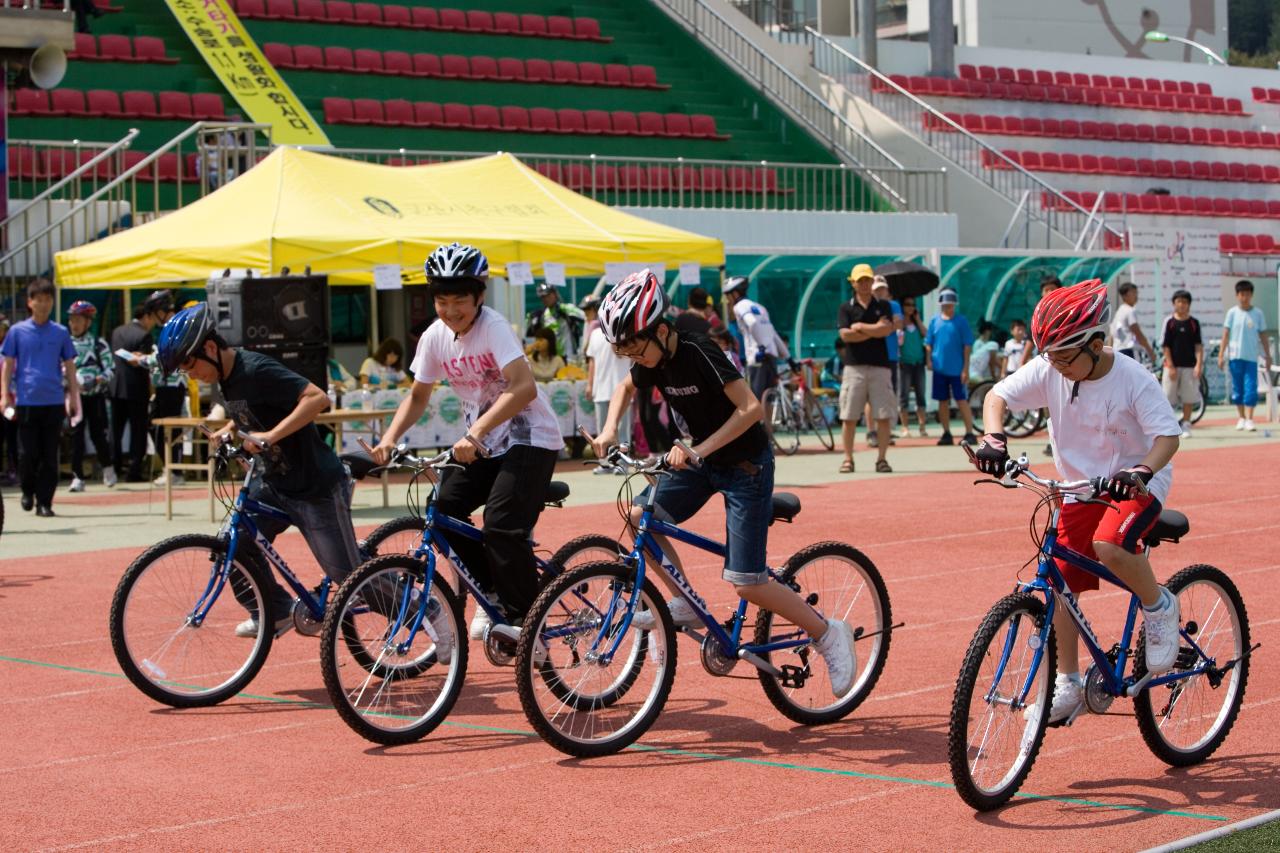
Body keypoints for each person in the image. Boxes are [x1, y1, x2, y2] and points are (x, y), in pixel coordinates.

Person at [590, 269, 858, 696]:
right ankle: (684, 602)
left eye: (634, 347)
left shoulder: (700, 351)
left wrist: (700, 449)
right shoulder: (650, 358)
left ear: (660, 331)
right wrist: (607, 431)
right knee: (639, 514)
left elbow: (751, 408)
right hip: (702, 459)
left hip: (745, 466)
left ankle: (828, 634)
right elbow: (624, 388)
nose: (631, 358)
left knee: (747, 582)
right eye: (623, 350)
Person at [972, 278, 1184, 724]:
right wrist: (994, 438)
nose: (1058, 366)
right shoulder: (1052, 368)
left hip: (1135, 484)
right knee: (1058, 583)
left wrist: (1141, 471)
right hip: (1079, 487)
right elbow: (997, 396)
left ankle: (1159, 606)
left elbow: (1167, 437)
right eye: (1052, 357)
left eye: (1067, 357)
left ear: (1096, 343)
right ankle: (1066, 682)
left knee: (1110, 544)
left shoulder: (1133, 380)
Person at [373, 243, 562, 641]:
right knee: (444, 508)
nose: (451, 310)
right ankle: (490, 586)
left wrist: (474, 433)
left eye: (460, 300)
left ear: (479, 297)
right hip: (484, 443)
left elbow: (524, 387)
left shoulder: (493, 327)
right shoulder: (435, 336)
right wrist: (388, 439)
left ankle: (529, 626)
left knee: (501, 525)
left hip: (530, 437)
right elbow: (418, 395)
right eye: (442, 300)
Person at [157, 302, 364, 639]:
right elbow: (254, 410)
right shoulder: (225, 377)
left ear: (210, 348)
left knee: (350, 577)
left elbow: (316, 398)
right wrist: (231, 428)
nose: (190, 374)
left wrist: (270, 436)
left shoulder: (255, 369)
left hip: (313, 485)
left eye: (189, 364)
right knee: (231, 543)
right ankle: (276, 611)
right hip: (274, 484)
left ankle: (424, 609)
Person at [0, 279, 81, 517]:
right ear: (30, 302)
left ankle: (44, 502)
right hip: (26, 400)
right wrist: (4, 395)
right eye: (39, 299)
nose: (43, 304)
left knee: (49, 455)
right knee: (27, 453)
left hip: (54, 400)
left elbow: (69, 365)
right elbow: (8, 366)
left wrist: (73, 396)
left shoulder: (60, 332)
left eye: (48, 299)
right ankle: (27, 489)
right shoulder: (17, 331)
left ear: (52, 302)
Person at [837, 264, 895, 474]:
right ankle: (848, 459)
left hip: (880, 367)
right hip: (854, 368)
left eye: (867, 280)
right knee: (849, 416)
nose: (864, 284)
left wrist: (860, 327)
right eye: (860, 280)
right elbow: (845, 335)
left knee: (883, 416)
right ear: (853, 283)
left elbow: (887, 329)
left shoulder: (884, 306)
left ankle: (882, 459)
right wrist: (875, 330)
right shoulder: (846, 307)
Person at [109, 291, 169, 482]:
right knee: (138, 431)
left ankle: (115, 465)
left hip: (115, 388)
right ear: (146, 316)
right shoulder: (144, 335)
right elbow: (145, 364)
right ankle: (134, 470)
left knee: (115, 431)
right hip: (137, 389)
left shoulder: (117, 331)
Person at [66, 300, 116, 491]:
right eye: (71, 320)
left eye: (78, 319)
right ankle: (77, 477)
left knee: (98, 435)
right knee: (76, 437)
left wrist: (96, 381)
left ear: (88, 322)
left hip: (95, 397)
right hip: (75, 399)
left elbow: (111, 369)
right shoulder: (66, 343)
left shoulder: (98, 343)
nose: (74, 324)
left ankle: (108, 468)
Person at [722, 275, 789, 404]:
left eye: (727, 296)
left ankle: (759, 424)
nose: (727, 300)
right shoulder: (760, 307)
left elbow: (752, 323)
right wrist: (788, 357)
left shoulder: (739, 306)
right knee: (768, 398)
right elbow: (773, 333)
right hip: (771, 355)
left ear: (734, 293)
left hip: (757, 356)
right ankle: (767, 424)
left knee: (756, 399)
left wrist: (761, 347)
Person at [924, 288, 977, 446]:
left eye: (951, 304)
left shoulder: (961, 321)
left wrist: (965, 368)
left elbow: (967, 346)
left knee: (962, 400)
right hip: (940, 369)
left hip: (957, 369)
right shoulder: (934, 321)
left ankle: (970, 432)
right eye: (946, 304)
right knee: (942, 401)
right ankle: (946, 432)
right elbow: (928, 343)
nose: (948, 307)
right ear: (941, 305)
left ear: (954, 305)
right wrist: (929, 360)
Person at [1219, 279, 1271, 431]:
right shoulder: (1232, 313)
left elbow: (1263, 335)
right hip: (1235, 357)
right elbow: (1226, 335)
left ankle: (1250, 418)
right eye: (1242, 294)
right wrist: (1221, 355)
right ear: (1237, 295)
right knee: (1237, 389)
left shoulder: (1258, 314)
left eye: (1247, 294)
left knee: (1250, 389)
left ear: (1251, 295)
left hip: (1251, 358)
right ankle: (1241, 417)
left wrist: (1267, 355)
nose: (1245, 297)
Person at [585, 316, 632, 474]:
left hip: (621, 390)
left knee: (621, 430)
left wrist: (615, 338)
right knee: (602, 431)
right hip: (601, 389)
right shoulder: (595, 334)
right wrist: (590, 385)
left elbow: (621, 354)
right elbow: (592, 361)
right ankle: (605, 463)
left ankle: (623, 464)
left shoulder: (624, 334)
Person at [866, 275, 904, 448]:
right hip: (872, 356)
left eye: (883, 288)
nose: (880, 292)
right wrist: (878, 327)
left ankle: (885, 432)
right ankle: (871, 431)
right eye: (877, 289)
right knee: (870, 397)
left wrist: (879, 328)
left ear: (887, 290)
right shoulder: (868, 307)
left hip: (891, 357)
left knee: (888, 396)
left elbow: (898, 323)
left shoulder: (894, 305)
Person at [1161, 289, 1203, 439]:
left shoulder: (1194, 323)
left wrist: (1199, 365)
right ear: (1174, 304)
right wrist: (1171, 366)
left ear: (1189, 304)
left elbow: (1198, 346)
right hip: (1171, 367)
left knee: (1188, 397)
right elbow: (1166, 346)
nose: (1182, 305)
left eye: (1185, 302)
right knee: (1167, 397)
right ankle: (1169, 426)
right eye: (1179, 301)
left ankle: (1186, 423)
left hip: (1190, 367)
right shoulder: (1170, 323)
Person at [526, 282, 585, 359]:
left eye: (548, 295)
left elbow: (586, 317)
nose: (546, 299)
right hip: (550, 358)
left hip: (568, 357)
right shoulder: (541, 315)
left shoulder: (566, 308)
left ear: (555, 294)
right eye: (543, 297)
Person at [898, 296, 928, 437]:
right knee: (903, 395)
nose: (910, 307)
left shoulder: (916, 323)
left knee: (920, 395)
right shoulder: (900, 323)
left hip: (918, 363)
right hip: (905, 363)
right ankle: (905, 427)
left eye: (912, 305)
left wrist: (917, 319)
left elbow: (925, 334)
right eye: (907, 304)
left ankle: (922, 426)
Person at [1111, 282, 1157, 363]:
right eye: (1133, 293)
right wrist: (1150, 351)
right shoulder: (1130, 311)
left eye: (1136, 293)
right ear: (1125, 296)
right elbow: (1137, 333)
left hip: (1117, 351)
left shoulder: (1119, 311)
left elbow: (1111, 334)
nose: (1136, 296)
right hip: (1129, 351)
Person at [0, 317, 19, 485]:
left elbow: (13, 376)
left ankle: (14, 470)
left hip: (9, 400)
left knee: (11, 437)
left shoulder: (10, 350)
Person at [968, 321, 1000, 386]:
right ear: (986, 331)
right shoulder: (978, 343)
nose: (991, 333)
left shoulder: (988, 344)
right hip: (975, 373)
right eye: (990, 330)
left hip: (981, 373)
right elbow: (991, 361)